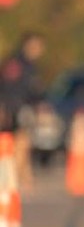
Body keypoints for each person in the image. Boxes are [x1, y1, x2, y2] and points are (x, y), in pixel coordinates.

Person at [0, 32, 46, 192]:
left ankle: (23, 175)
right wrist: (5, 107)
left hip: (24, 106)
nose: (40, 50)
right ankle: (14, 175)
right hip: (16, 107)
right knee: (20, 141)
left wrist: (39, 103)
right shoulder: (16, 63)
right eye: (37, 46)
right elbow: (6, 86)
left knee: (24, 142)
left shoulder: (31, 65)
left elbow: (34, 90)